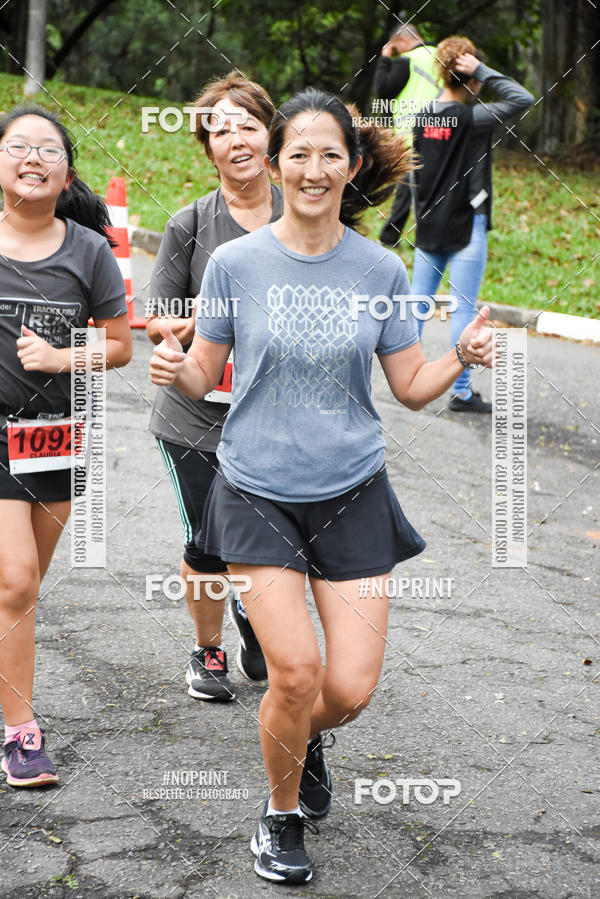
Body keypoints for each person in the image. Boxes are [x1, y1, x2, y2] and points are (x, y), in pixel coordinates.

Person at [149, 88, 494, 884]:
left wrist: (461, 358)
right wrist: (178, 366)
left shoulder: (380, 267)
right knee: (295, 671)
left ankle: (300, 736)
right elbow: (205, 369)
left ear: (352, 164)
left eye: (327, 153)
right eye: (296, 153)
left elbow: (408, 384)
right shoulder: (236, 262)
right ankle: (278, 816)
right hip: (257, 488)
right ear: (276, 164)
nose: (311, 168)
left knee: (348, 687)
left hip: (351, 491)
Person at [0, 106, 132, 787]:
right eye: (17, 145)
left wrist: (60, 356)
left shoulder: (88, 251)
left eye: (46, 149)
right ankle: (21, 734)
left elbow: (118, 346)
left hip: (52, 436)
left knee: (21, 590)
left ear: (65, 173)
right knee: (14, 578)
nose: (31, 157)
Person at [146, 74, 279, 702]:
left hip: (278, 411)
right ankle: (208, 651)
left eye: (248, 124)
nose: (235, 138)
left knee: (269, 534)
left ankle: (260, 624)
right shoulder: (190, 224)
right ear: (208, 149)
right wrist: (190, 322)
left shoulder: (302, 215)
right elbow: (158, 317)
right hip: (195, 413)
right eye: (220, 129)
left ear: (271, 136)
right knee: (208, 540)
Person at [411, 36, 533, 413]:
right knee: (464, 309)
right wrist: (481, 69)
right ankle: (461, 393)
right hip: (466, 222)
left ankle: (407, 376)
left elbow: (415, 174)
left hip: (429, 222)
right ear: (472, 77)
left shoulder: (423, 117)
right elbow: (522, 99)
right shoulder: (474, 119)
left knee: (417, 303)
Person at [372, 21, 442, 246]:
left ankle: (393, 235)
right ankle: (402, 234)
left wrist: (384, 58)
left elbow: (383, 91)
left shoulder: (409, 60)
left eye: (396, 47)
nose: (397, 52)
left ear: (402, 41)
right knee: (433, 184)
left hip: (411, 133)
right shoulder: (443, 55)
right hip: (443, 130)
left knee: (409, 184)